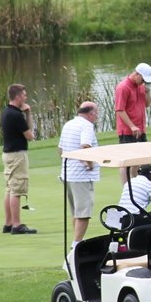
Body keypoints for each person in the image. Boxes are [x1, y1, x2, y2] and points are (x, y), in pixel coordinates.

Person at [57, 100, 101, 242]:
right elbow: (86, 146)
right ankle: (76, 245)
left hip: (68, 174)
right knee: (83, 213)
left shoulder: (69, 124)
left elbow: (60, 150)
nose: (97, 116)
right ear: (90, 114)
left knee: (76, 212)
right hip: (81, 176)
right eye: (96, 113)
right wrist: (88, 163)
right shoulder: (87, 126)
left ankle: (77, 241)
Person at [1, 83, 36, 234]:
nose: (26, 97)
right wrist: (28, 115)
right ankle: (16, 225)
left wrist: (27, 113)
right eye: (24, 95)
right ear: (17, 97)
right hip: (17, 154)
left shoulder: (7, 112)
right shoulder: (15, 115)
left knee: (10, 188)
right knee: (17, 189)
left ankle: (8, 223)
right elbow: (30, 136)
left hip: (8, 153)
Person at [114, 61, 151, 181]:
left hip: (140, 129)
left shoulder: (141, 87)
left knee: (139, 158)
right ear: (137, 74)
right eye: (143, 79)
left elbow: (147, 104)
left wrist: (147, 92)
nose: (144, 82)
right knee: (126, 161)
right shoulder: (123, 87)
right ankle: (127, 188)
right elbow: (119, 110)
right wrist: (131, 126)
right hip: (127, 131)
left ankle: (135, 185)